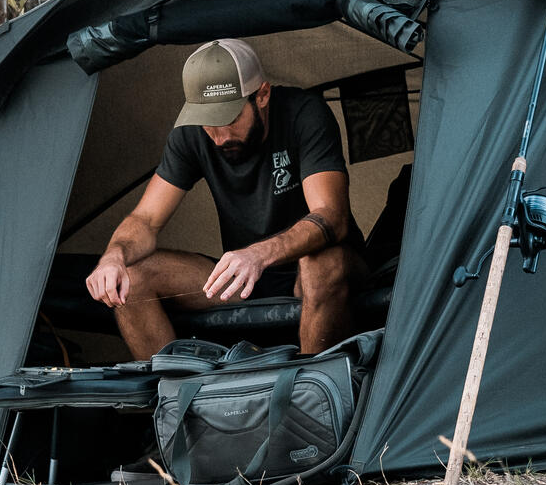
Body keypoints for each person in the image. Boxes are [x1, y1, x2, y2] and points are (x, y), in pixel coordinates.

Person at [85, 38, 366, 358]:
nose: (219, 137)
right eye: (209, 123)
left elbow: (331, 215)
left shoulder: (304, 114)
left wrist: (259, 254)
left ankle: (310, 398)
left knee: (320, 264)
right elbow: (145, 220)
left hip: (313, 271)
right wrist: (113, 256)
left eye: (230, 119)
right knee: (132, 278)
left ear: (262, 94)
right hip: (243, 279)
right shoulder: (190, 135)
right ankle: (175, 403)